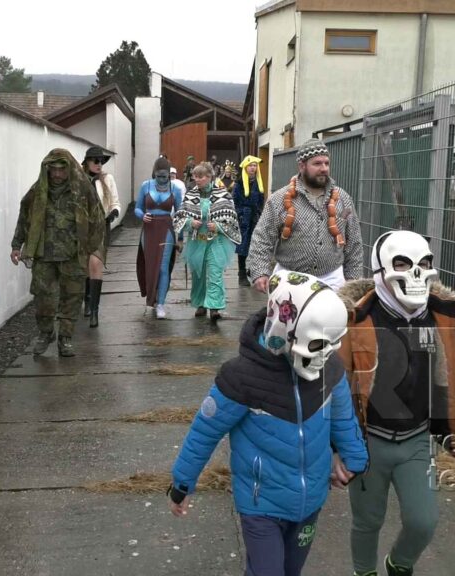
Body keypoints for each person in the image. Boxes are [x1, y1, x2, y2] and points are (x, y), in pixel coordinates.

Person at [168, 271, 368, 576]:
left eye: (334, 342)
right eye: (319, 343)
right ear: (285, 330)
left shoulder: (330, 368)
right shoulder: (242, 378)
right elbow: (205, 430)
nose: (328, 352)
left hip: (311, 500)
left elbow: (343, 416)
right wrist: (182, 483)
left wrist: (354, 458)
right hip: (261, 504)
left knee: (290, 570)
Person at [334, 230, 455, 576]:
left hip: (415, 441)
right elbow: (334, 388)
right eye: (402, 263)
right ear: (381, 268)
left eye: (424, 264)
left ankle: (399, 564)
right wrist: (335, 447)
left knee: (423, 521)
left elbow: (453, 381)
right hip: (367, 442)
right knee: (368, 520)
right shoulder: (355, 318)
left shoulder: (442, 317)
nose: (415, 273)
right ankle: (364, 571)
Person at [10, 148, 105, 357]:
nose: (57, 174)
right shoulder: (37, 192)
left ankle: (65, 338)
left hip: (73, 255)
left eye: (62, 169)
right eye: (53, 169)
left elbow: (98, 219)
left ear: (69, 169)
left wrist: (91, 248)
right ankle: (46, 333)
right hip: (44, 255)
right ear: (47, 169)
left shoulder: (82, 191)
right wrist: (17, 245)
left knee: (72, 297)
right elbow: (24, 218)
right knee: (43, 297)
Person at [247, 139, 363, 292]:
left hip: (332, 279)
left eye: (326, 163)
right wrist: (260, 272)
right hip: (288, 278)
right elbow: (262, 237)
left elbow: (354, 242)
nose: (324, 168)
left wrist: (353, 280)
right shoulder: (279, 199)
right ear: (302, 166)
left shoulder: (343, 198)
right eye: (317, 164)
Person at [173, 162, 241, 321]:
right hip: (197, 241)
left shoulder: (223, 195)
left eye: (200, 176)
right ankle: (200, 304)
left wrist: (218, 226)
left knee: (215, 273)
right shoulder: (190, 195)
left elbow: (231, 218)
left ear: (210, 177)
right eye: (195, 176)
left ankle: (214, 307)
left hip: (216, 242)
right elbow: (179, 217)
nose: (197, 179)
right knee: (198, 274)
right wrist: (190, 223)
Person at [135, 156, 185, 319]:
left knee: (163, 267)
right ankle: (151, 299)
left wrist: (180, 238)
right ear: (154, 173)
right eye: (158, 176)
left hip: (166, 228)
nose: (162, 179)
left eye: (165, 176)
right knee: (150, 266)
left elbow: (180, 215)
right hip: (148, 230)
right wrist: (142, 215)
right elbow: (137, 208)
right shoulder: (146, 185)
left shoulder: (174, 189)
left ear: (169, 174)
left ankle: (161, 303)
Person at [81, 146, 121, 328]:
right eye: (95, 161)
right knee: (85, 266)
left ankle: (94, 311)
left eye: (101, 161)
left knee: (95, 264)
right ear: (87, 162)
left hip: (100, 227)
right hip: (82, 229)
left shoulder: (107, 179)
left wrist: (113, 213)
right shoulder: (79, 180)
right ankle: (87, 298)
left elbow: (115, 202)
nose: (99, 164)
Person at [233, 155, 266, 287]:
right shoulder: (239, 184)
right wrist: (241, 214)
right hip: (244, 219)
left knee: (256, 244)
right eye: (250, 166)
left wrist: (260, 214)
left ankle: (252, 270)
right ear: (245, 168)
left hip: (255, 218)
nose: (253, 168)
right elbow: (235, 201)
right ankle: (241, 273)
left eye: (255, 165)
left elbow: (261, 201)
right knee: (243, 246)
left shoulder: (259, 183)